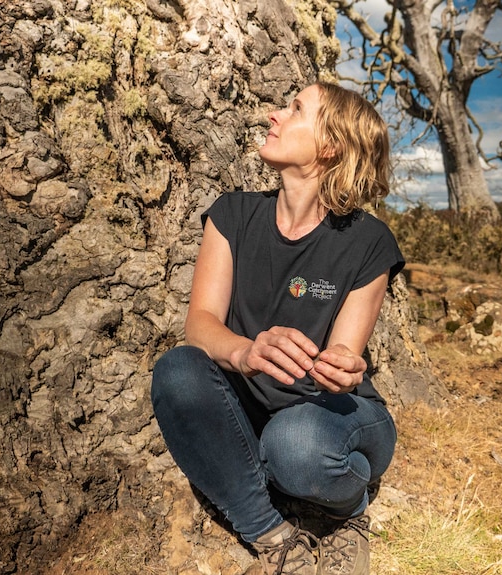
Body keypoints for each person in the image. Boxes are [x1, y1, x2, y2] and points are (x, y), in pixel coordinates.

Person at [151, 81, 405, 575]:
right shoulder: (233, 215)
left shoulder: (368, 242)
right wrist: (245, 353)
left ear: (330, 146)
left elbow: (345, 354)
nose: (273, 115)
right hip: (252, 411)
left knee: (295, 445)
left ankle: (347, 512)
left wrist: (344, 367)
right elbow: (200, 325)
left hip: (331, 415)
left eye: (295, 110)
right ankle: (272, 536)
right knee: (178, 370)